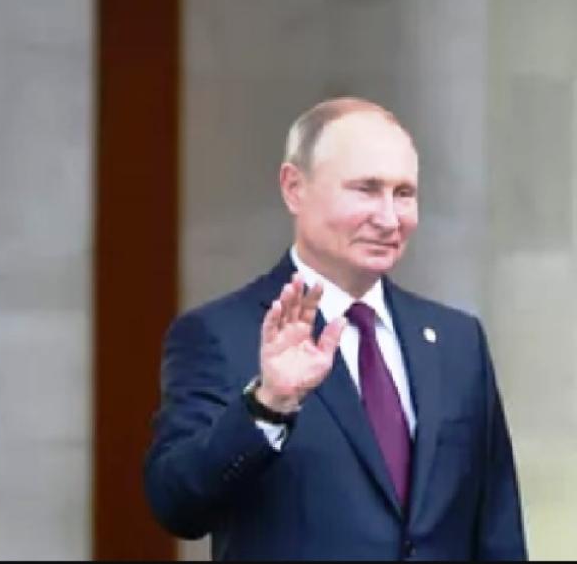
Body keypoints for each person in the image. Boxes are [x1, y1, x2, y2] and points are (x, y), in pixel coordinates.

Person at [144, 97, 526, 560]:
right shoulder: (221, 334)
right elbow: (177, 505)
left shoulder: (458, 341)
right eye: (366, 189)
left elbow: (498, 529)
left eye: (404, 193)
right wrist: (267, 405)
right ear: (294, 188)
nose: (389, 218)